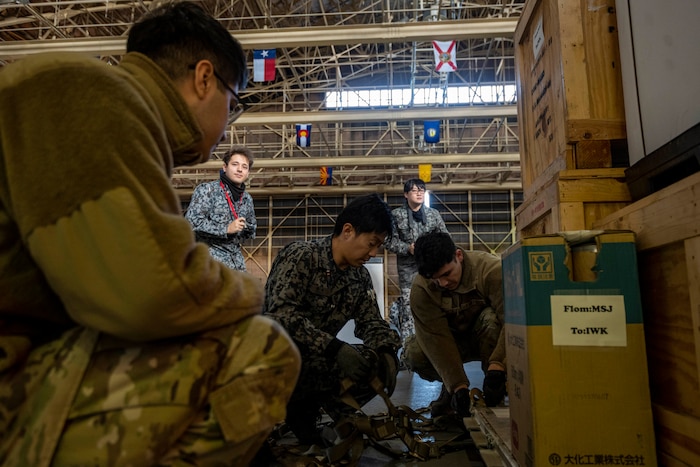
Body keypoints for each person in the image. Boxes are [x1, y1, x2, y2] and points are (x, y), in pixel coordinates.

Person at [0, 3, 300, 466]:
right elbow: (151, 289)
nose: (227, 126)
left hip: (31, 349)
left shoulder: (108, 107)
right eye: (233, 102)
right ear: (204, 78)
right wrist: (251, 294)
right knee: (263, 348)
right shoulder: (92, 96)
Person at [263, 193, 401, 446]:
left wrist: (387, 351)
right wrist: (334, 348)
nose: (372, 253)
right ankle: (293, 411)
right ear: (348, 230)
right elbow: (280, 316)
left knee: (373, 362)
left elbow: (371, 321)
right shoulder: (302, 256)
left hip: (317, 362)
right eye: (371, 243)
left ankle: (313, 411)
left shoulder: (359, 277)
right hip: (276, 360)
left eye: (378, 246)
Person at [403, 231, 507, 418]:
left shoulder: (490, 270)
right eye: (436, 279)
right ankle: (450, 391)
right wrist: (457, 385)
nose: (443, 283)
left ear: (458, 256)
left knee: (491, 320)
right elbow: (435, 338)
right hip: (452, 343)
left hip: (487, 338)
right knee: (414, 353)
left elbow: (512, 321)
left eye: (447, 274)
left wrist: (498, 366)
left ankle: (495, 389)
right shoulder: (422, 289)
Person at [384, 178, 448, 344]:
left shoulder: (433, 215)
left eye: (422, 190)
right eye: (414, 190)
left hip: (432, 269)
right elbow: (388, 241)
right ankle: (409, 351)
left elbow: (445, 238)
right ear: (406, 194)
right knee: (408, 311)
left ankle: (434, 347)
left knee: (433, 306)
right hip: (408, 272)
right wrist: (407, 248)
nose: (419, 193)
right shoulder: (396, 216)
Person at [185, 146, 257, 270]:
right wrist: (226, 228)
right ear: (225, 167)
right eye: (235, 164)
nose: (240, 169)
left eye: (244, 167)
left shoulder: (246, 199)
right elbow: (191, 223)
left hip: (237, 264)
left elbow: (252, 228)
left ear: (248, 173)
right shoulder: (207, 190)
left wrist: (246, 228)